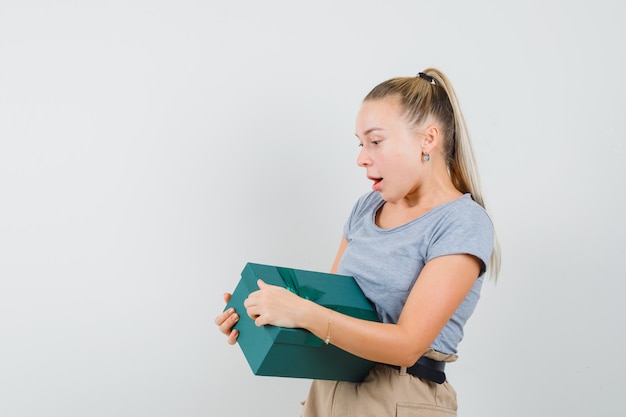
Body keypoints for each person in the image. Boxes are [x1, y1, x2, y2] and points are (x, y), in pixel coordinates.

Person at [215, 68, 501, 416]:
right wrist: (265, 319)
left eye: (375, 141)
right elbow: (331, 315)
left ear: (428, 139)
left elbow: (408, 345)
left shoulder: (462, 222)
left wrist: (301, 310)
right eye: (360, 143)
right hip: (330, 393)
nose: (361, 158)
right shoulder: (366, 209)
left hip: (399, 400)